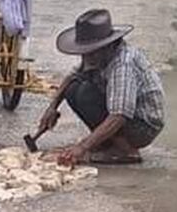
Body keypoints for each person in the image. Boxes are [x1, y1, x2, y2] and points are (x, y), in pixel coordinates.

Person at [38, 9, 165, 167]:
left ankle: (125, 150)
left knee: (86, 94)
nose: (86, 58)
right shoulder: (96, 57)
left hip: (143, 125)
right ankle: (106, 143)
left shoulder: (123, 63)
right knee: (73, 88)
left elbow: (119, 115)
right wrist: (52, 107)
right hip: (123, 115)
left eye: (91, 52)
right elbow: (72, 77)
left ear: (107, 46)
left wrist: (82, 147)